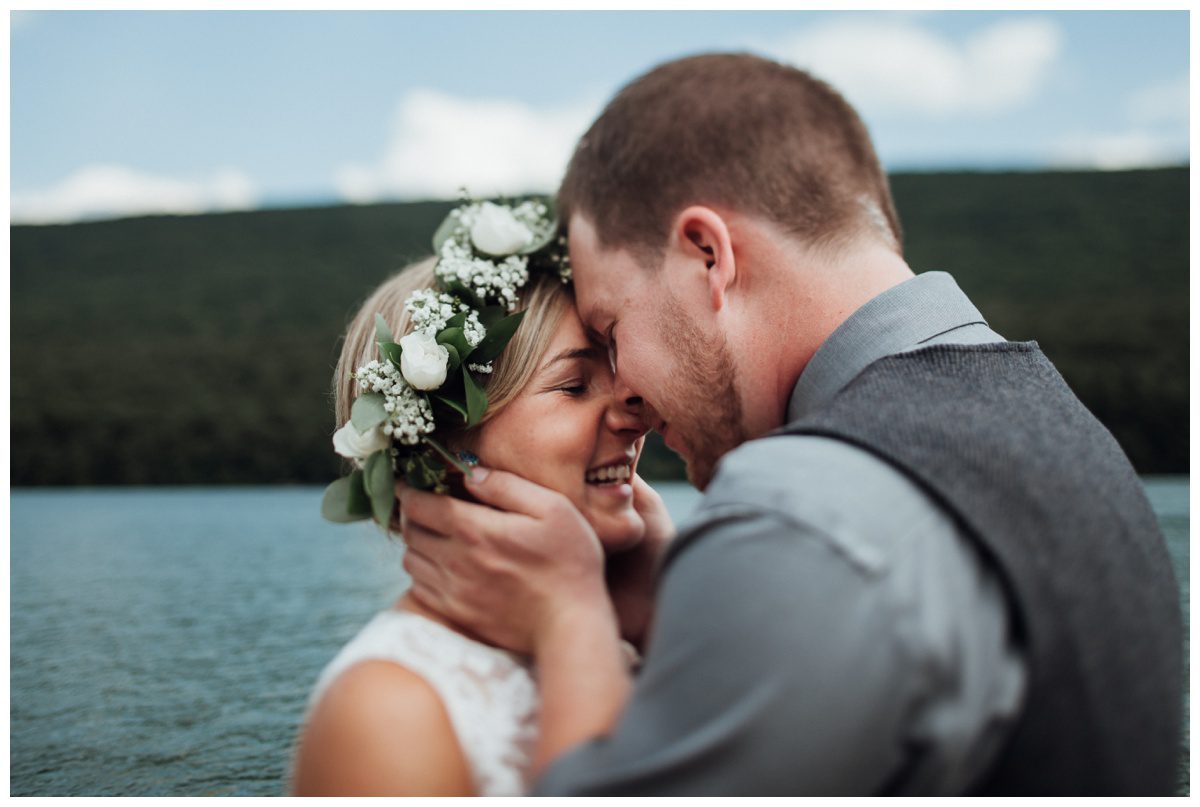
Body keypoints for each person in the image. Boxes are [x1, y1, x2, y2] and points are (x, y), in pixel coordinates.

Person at [396, 52, 1183, 795]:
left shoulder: (803, 514)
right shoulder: (1065, 426)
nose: (625, 387)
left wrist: (570, 618)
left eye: (610, 328)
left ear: (708, 254)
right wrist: (671, 609)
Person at [289, 248, 671, 796]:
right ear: (446, 450)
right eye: (575, 385)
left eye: (620, 373)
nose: (639, 411)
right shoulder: (388, 712)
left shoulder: (639, 621)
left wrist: (665, 614)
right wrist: (574, 617)